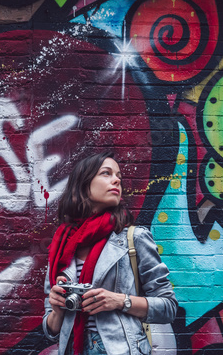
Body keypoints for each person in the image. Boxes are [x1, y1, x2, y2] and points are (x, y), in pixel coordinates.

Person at [42, 151, 177, 355]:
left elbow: (168, 307)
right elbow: (51, 331)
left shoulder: (134, 238)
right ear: (83, 184)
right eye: (106, 173)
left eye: (119, 177)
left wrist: (120, 301)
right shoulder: (61, 245)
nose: (116, 180)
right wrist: (58, 311)